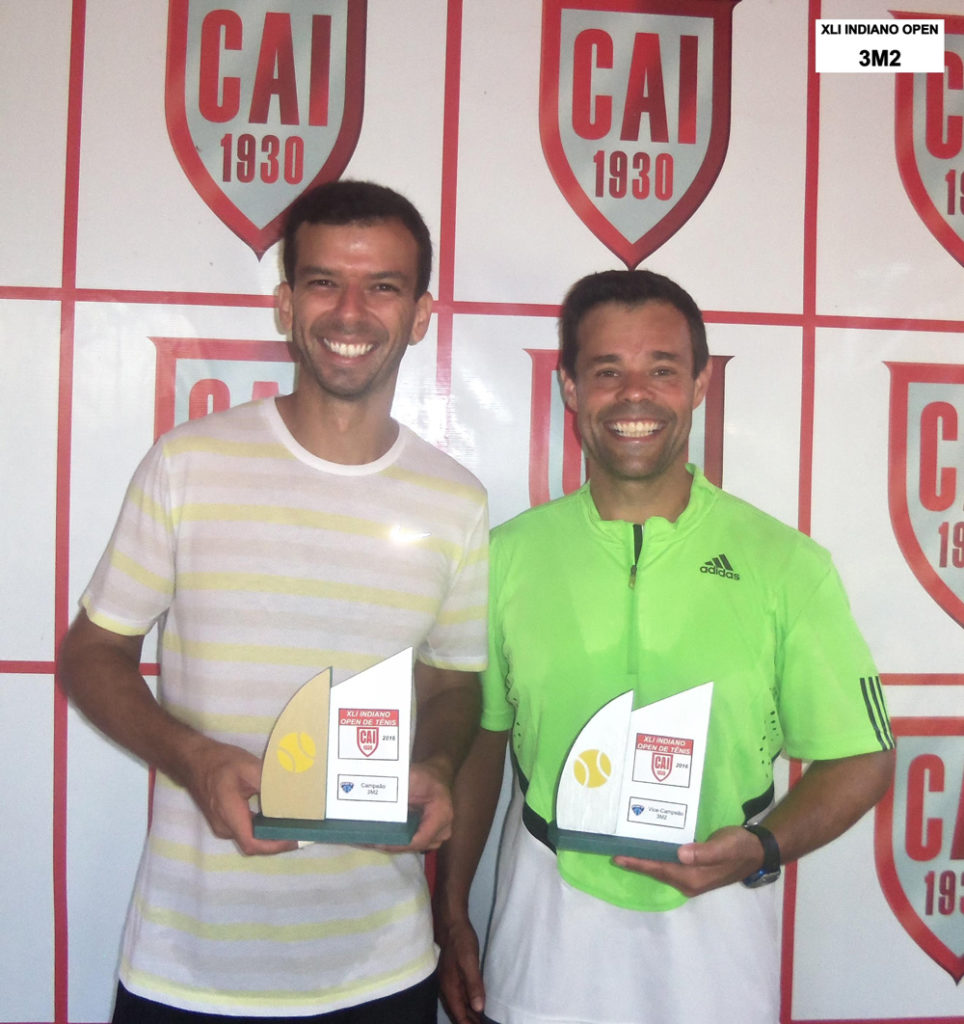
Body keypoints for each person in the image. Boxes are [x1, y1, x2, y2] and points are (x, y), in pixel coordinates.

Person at [58, 180, 489, 1023]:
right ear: (286, 305)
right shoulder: (188, 464)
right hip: (189, 966)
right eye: (325, 282)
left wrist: (438, 767)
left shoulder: (456, 500)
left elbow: (452, 680)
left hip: (381, 966)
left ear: (422, 315)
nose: (351, 312)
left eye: (383, 286)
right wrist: (194, 759)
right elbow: (91, 653)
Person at [433, 269, 895, 1024]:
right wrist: (452, 912)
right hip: (546, 942)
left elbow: (862, 756)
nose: (634, 395)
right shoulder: (507, 557)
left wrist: (762, 848)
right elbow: (483, 743)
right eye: (606, 371)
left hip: (717, 951)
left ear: (700, 385)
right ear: (571, 388)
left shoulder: (785, 563)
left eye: (662, 370)